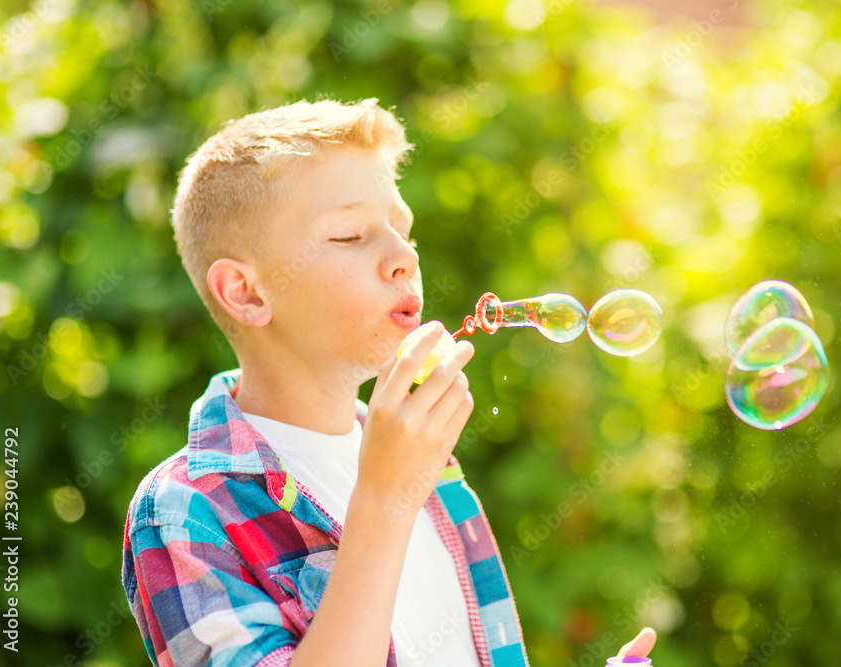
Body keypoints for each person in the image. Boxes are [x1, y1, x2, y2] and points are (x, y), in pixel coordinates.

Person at [120, 97, 656, 667]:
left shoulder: (418, 462)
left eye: (404, 231)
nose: (403, 257)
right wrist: (383, 500)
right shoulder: (185, 509)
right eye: (350, 235)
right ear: (246, 293)